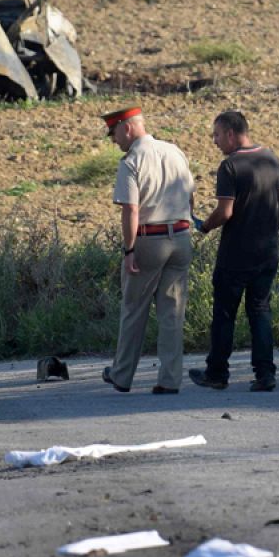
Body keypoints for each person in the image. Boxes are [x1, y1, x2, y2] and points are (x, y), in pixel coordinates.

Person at [190, 110, 279, 392]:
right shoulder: (271, 158)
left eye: (217, 135)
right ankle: (265, 373)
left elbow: (225, 211)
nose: (215, 141)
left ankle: (217, 372)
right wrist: (273, 228)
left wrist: (205, 227)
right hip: (267, 251)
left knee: (224, 313)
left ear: (232, 134)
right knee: (260, 309)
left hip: (236, 253)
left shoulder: (230, 166)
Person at [101, 106, 196, 395]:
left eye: (114, 132)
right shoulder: (174, 151)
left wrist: (129, 250)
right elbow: (191, 194)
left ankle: (121, 374)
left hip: (149, 240)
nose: (113, 140)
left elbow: (131, 209)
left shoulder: (131, 162)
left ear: (127, 128)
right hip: (180, 237)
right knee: (172, 313)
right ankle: (169, 380)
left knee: (134, 309)